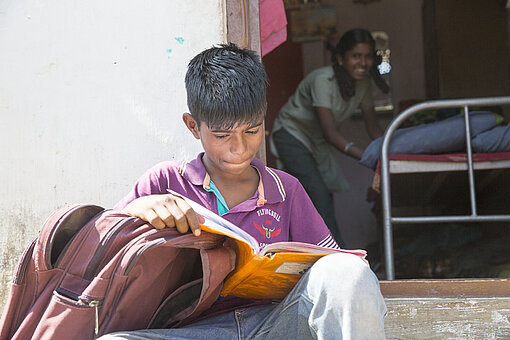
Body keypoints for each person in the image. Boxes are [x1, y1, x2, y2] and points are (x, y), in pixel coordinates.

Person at [99, 43, 386, 340]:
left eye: (252, 130)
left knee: (350, 272)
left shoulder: (287, 190)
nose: (239, 148)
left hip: (276, 324)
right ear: (193, 126)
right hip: (196, 331)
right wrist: (136, 210)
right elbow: (100, 243)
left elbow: (335, 270)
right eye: (222, 135)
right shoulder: (166, 182)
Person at [270, 28, 390, 246]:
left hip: (316, 143)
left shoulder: (362, 84)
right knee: (319, 195)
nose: (362, 63)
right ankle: (339, 256)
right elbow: (330, 133)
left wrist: (388, 153)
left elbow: (373, 128)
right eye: (356, 56)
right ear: (341, 59)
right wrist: (368, 157)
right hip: (291, 134)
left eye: (368, 56)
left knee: (322, 198)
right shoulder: (323, 80)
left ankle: (323, 252)